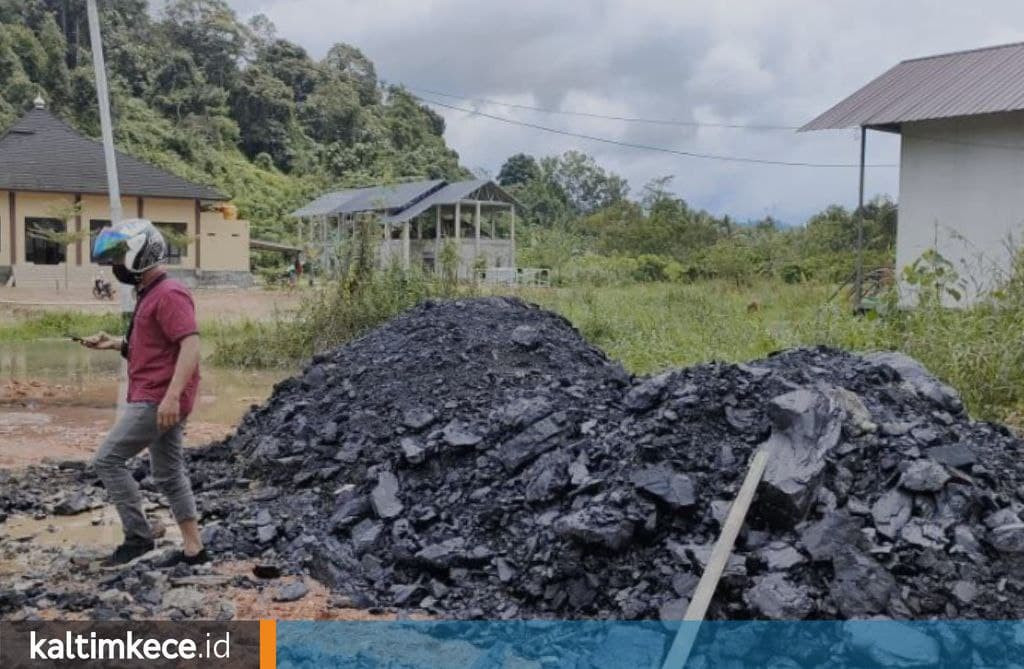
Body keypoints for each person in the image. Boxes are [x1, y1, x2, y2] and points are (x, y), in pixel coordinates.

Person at [81, 219, 207, 567]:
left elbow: (191, 345)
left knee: (107, 460)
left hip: (158, 399)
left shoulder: (170, 293)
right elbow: (156, 348)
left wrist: (171, 397)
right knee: (168, 472)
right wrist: (115, 344)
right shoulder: (149, 292)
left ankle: (138, 539)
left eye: (120, 257)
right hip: (158, 396)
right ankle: (195, 550)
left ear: (141, 254)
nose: (115, 266)